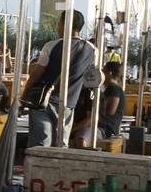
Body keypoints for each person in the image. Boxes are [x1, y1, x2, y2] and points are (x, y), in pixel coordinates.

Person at [24, 10, 101, 148]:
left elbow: (36, 75)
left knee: (41, 144)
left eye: (60, 22)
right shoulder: (92, 50)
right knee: (61, 144)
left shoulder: (51, 46)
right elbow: (94, 78)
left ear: (65, 24)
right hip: (68, 104)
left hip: (43, 101)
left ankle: (38, 169)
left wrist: (23, 96)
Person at [97, 61, 127, 140]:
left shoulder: (113, 89)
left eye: (103, 71)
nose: (101, 74)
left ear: (109, 73)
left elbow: (110, 111)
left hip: (108, 129)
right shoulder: (110, 89)